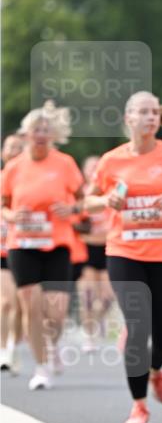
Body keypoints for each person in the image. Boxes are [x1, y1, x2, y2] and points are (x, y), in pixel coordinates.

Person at [85, 92, 162, 423]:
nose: (151, 117)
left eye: (154, 112)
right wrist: (106, 199)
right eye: (143, 112)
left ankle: (155, 369)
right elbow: (87, 201)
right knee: (138, 328)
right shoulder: (111, 161)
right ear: (129, 118)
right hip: (124, 252)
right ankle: (139, 407)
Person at [1, 102, 84, 390]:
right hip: (23, 244)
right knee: (32, 306)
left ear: (52, 136)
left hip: (57, 244)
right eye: (35, 130)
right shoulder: (13, 168)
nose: (40, 135)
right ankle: (41, 367)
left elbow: (84, 199)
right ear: (26, 134)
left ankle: (54, 343)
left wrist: (71, 209)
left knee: (56, 312)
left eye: (45, 130)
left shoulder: (65, 164)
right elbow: (3, 204)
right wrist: (12, 215)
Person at [78, 155, 115, 353]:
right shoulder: (80, 196)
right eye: (90, 167)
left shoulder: (110, 195)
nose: (94, 170)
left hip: (109, 248)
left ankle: (98, 320)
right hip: (86, 250)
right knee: (88, 295)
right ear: (83, 171)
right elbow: (74, 228)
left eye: (97, 167)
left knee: (108, 295)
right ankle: (89, 333)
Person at [0, 132, 25, 371]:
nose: (15, 151)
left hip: (23, 247)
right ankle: (2, 350)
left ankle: (13, 346)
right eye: (10, 147)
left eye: (19, 147)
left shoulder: (28, 179)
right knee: (6, 301)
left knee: (19, 304)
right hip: (2, 252)